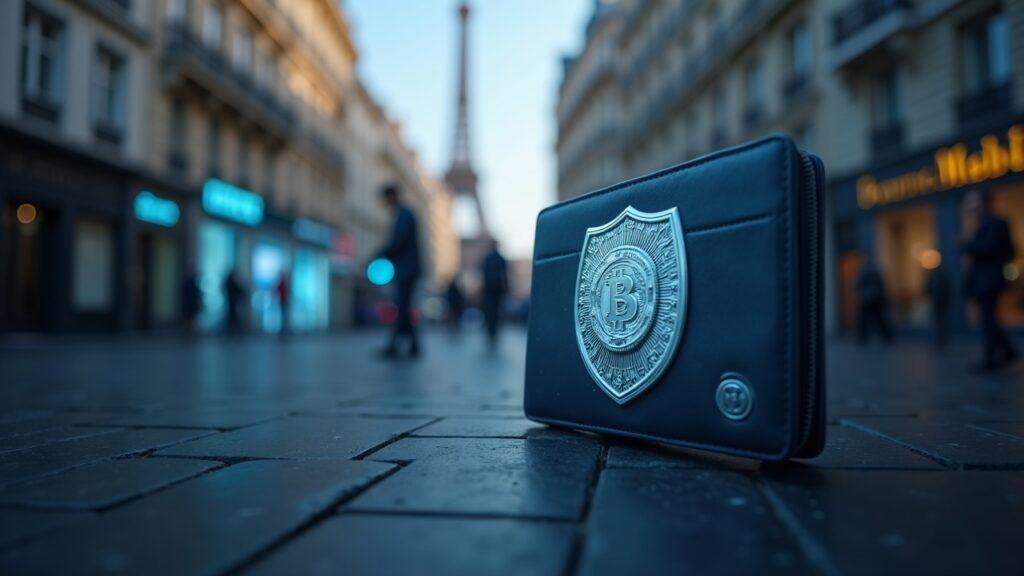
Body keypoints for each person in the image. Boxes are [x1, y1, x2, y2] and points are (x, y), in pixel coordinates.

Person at [962, 190, 1018, 371]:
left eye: (973, 202)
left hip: (989, 279)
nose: (970, 206)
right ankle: (1007, 351)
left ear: (984, 203)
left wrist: (967, 246)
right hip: (983, 279)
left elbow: (991, 249)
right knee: (989, 318)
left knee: (988, 319)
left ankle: (990, 359)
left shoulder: (995, 223)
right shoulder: (980, 224)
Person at [376, 184, 422, 359]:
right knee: (403, 307)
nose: (385, 204)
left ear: (391, 197)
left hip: (406, 269)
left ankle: (397, 346)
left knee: (402, 306)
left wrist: (380, 253)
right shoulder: (405, 214)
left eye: (385, 200)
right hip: (408, 268)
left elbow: (399, 241)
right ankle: (409, 346)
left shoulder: (403, 215)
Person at [855, 257, 892, 344]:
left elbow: (857, 284)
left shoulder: (864, 273)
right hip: (873, 299)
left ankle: (863, 338)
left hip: (869, 300)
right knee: (876, 320)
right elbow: (881, 285)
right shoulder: (873, 272)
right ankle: (886, 338)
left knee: (872, 320)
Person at [481, 240, 509, 348]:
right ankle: (493, 331)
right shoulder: (501, 258)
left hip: (489, 288)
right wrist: (506, 289)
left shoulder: (487, 258)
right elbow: (505, 275)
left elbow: (484, 274)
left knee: (490, 311)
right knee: (496, 311)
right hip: (497, 288)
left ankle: (491, 331)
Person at [924, 263, 951, 350]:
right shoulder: (938, 276)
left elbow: (929, 288)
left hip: (940, 302)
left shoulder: (938, 276)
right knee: (939, 321)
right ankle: (939, 339)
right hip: (938, 302)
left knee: (940, 321)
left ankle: (941, 340)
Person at [224, 270, 245, 336]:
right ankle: (232, 330)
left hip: (232, 302)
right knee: (232, 315)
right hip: (232, 302)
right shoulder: (231, 282)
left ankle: (232, 330)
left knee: (232, 315)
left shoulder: (229, 281)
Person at [181, 269, 201, 336]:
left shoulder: (192, 281)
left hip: (191, 304)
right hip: (190, 304)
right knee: (189, 318)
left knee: (191, 318)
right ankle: (189, 332)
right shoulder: (189, 282)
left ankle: (190, 332)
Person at [275, 272, 290, 337]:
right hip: (282, 301)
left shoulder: (282, 283)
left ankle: (283, 330)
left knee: (283, 316)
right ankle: (283, 330)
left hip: (283, 301)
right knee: (283, 316)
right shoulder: (282, 283)